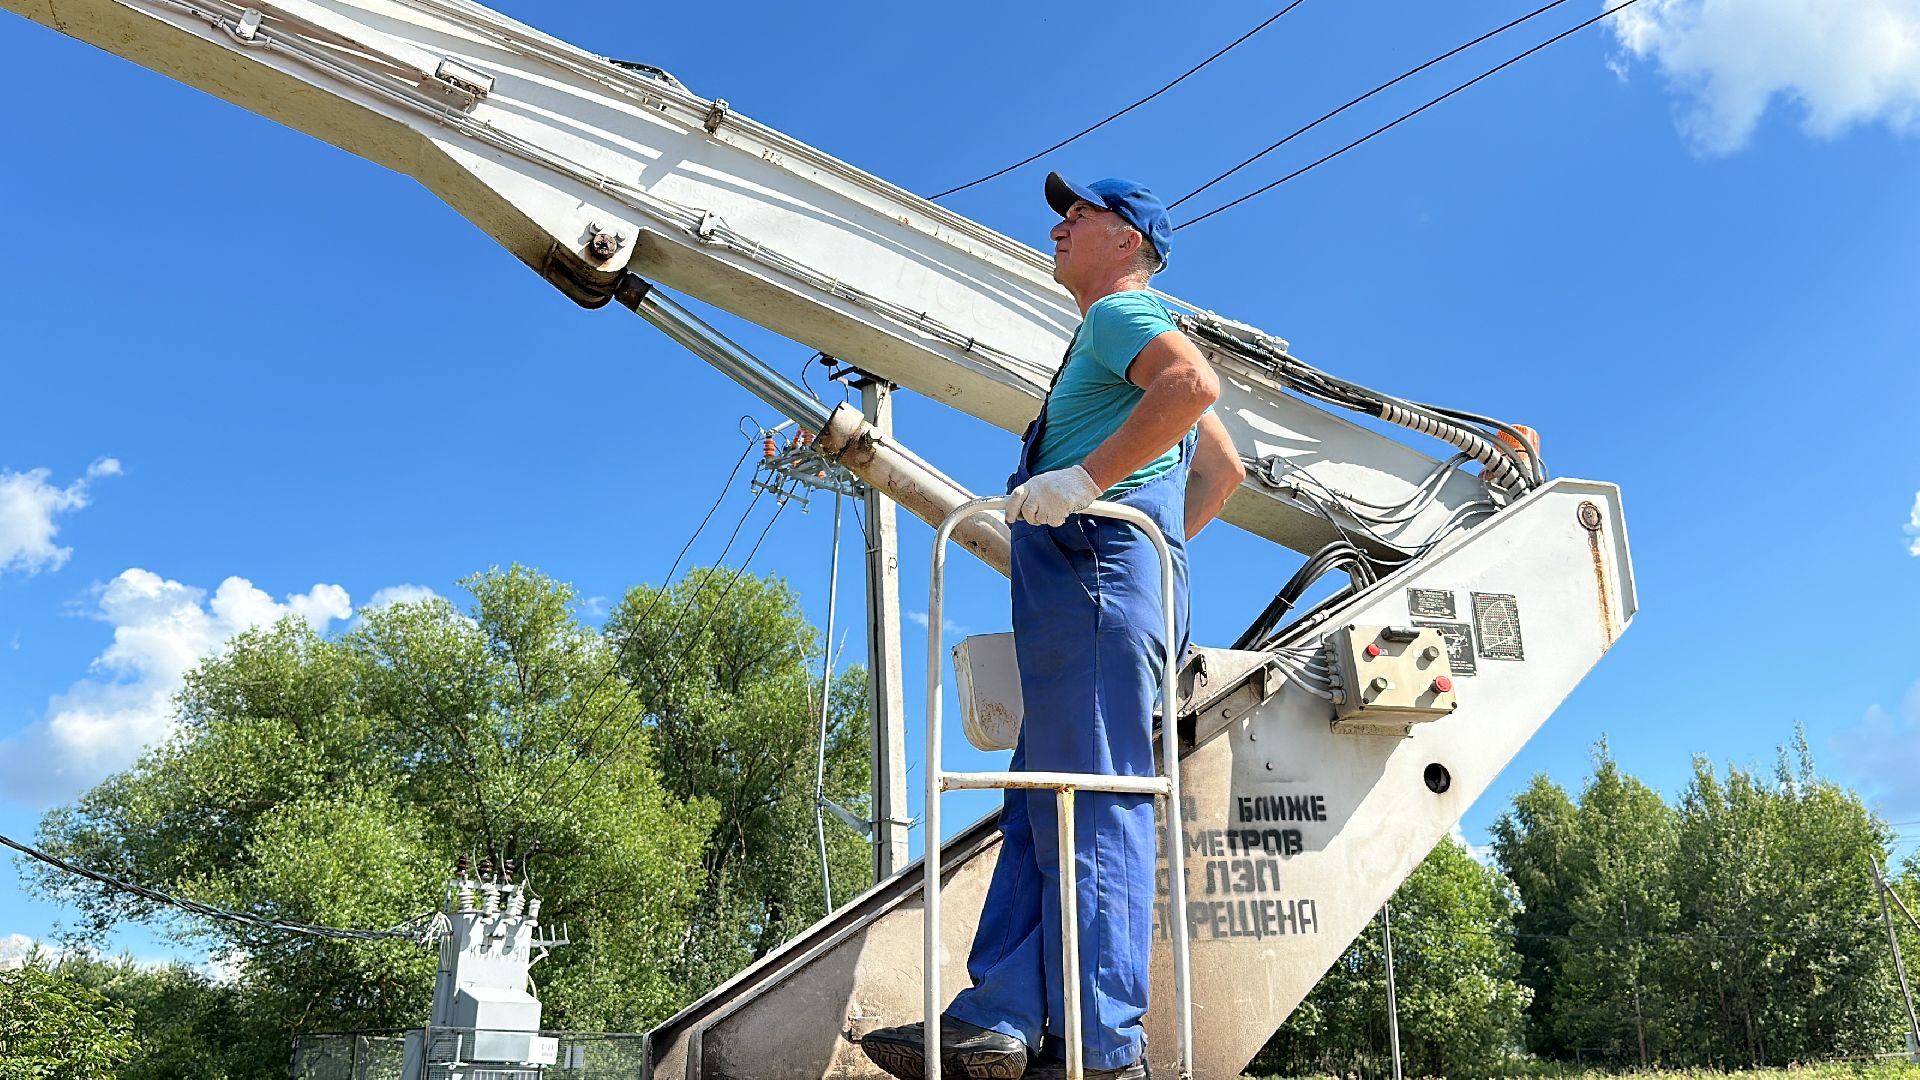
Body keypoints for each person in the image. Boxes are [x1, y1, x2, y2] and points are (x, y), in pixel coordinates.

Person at [861, 174, 1244, 1080]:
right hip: (1097, 595)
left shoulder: (1121, 314)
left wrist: (1091, 490)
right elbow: (1219, 471)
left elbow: (1192, 387)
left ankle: (1103, 1048)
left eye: (1081, 214)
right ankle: (1002, 1017)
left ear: (1130, 242)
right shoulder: (1110, 336)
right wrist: (1147, 546)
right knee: (1045, 804)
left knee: (1093, 802)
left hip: (1094, 588)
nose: (1058, 224)